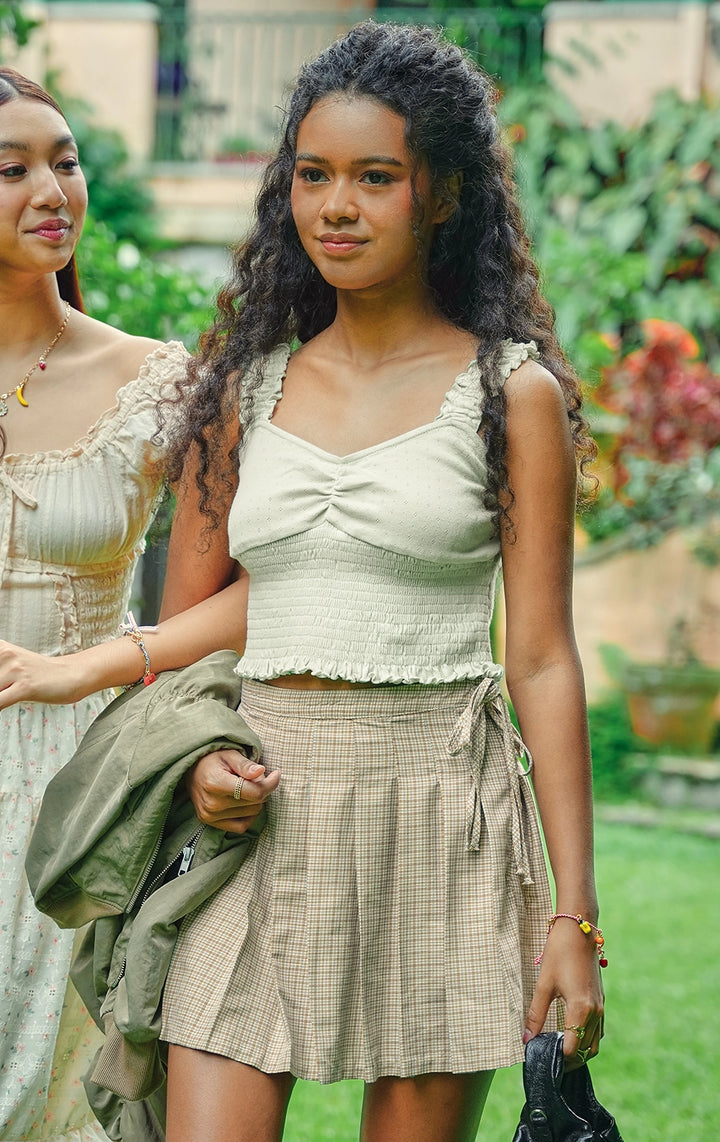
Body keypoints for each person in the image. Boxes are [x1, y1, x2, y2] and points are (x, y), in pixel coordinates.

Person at [0, 23, 604, 1142]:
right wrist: (203, 763)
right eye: (314, 175)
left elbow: (543, 655)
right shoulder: (242, 389)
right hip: (256, 818)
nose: (336, 205)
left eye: (377, 176)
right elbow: (187, 638)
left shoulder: (509, 394)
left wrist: (575, 910)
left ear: (444, 193)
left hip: (444, 814)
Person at [0, 68, 194, 1142]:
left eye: (65, 160)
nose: (52, 189)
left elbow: (240, 592)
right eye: (12, 168)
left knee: (67, 1096)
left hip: (85, 776)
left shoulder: (156, 380)